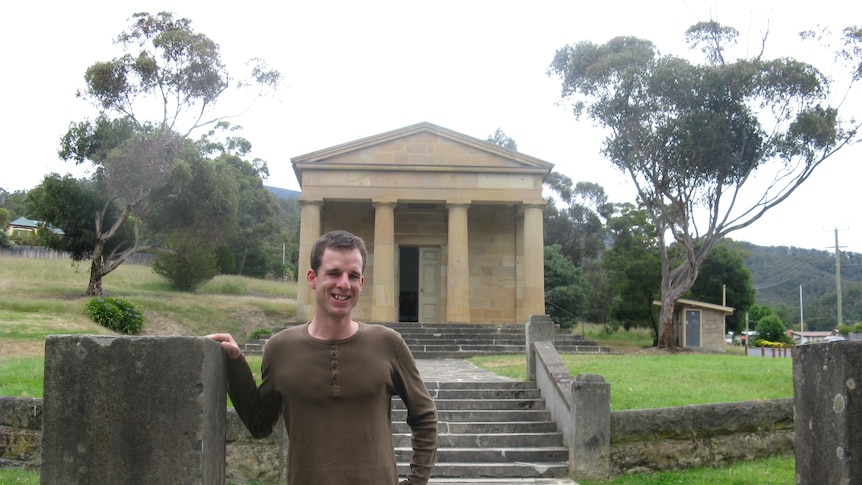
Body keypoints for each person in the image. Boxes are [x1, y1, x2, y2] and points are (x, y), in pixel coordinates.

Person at [208, 230, 438, 484]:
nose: (344, 283)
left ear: (362, 283)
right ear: (312, 278)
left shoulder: (387, 343)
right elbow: (260, 424)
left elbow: (424, 415)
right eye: (333, 273)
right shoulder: (280, 348)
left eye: (353, 275)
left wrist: (417, 480)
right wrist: (236, 363)